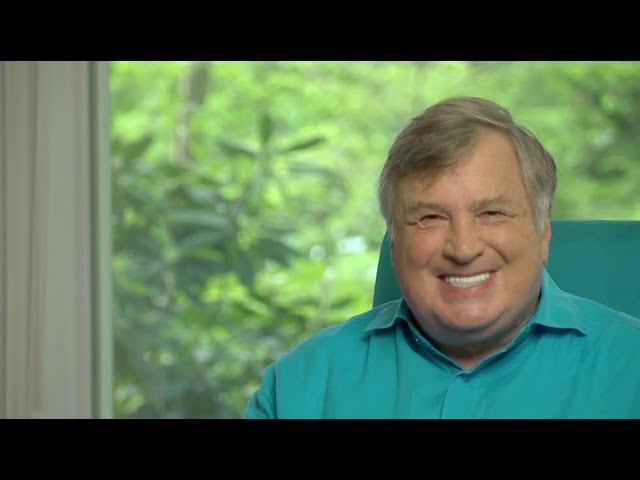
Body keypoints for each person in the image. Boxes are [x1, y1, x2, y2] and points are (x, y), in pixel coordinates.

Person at [244, 96, 640, 419]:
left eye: (492, 213)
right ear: (394, 241)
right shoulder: (299, 387)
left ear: (543, 232)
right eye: (430, 218)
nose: (463, 249)